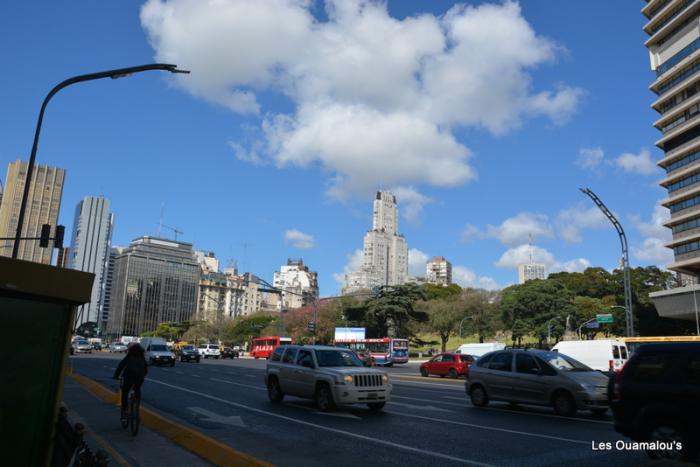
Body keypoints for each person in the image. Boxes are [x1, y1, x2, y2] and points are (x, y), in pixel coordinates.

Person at [113, 342, 148, 421]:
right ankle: (137, 408)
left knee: (125, 392)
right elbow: (146, 368)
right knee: (137, 390)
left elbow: (121, 365)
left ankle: (124, 411)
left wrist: (116, 375)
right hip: (139, 378)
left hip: (129, 377)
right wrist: (142, 375)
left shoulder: (129, 356)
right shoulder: (142, 357)